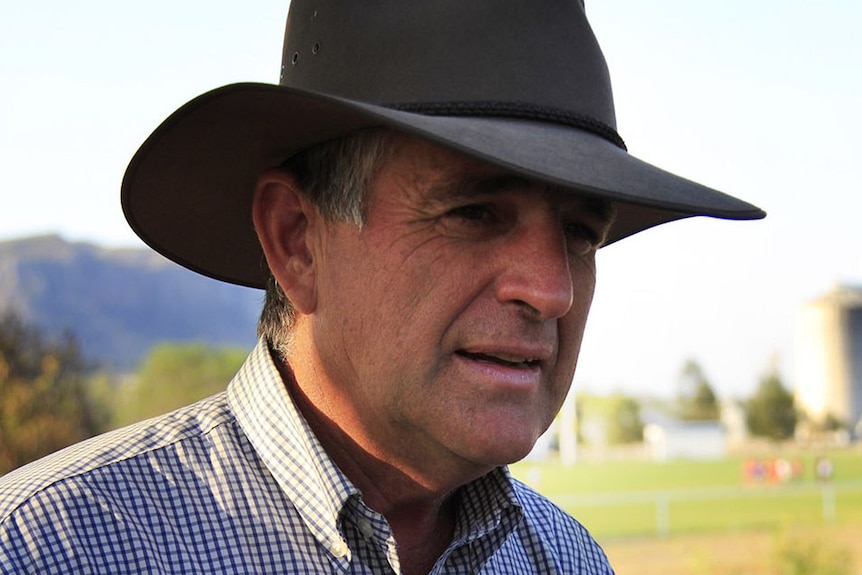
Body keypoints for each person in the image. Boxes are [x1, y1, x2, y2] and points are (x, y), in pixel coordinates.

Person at [0, 1, 764, 573]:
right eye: (473, 211)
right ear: (297, 240)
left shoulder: (566, 560)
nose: (551, 289)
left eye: (580, 232)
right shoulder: (45, 551)